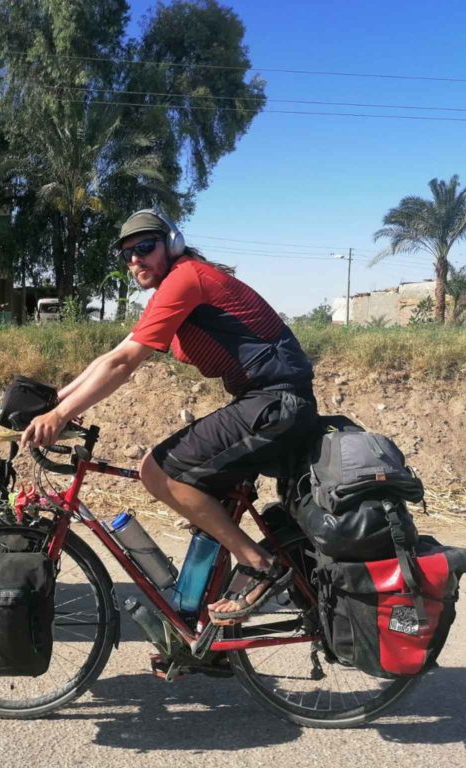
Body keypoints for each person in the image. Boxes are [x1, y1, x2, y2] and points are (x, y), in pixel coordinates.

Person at [21, 210, 318, 623]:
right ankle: (206, 629)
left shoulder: (186, 279)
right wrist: (54, 402)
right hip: (264, 402)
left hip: (277, 404)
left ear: (172, 244)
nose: (135, 260)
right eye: (127, 254)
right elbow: (111, 355)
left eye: (145, 247)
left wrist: (61, 414)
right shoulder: (172, 290)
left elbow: (125, 363)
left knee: (157, 471)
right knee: (200, 493)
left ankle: (262, 567)